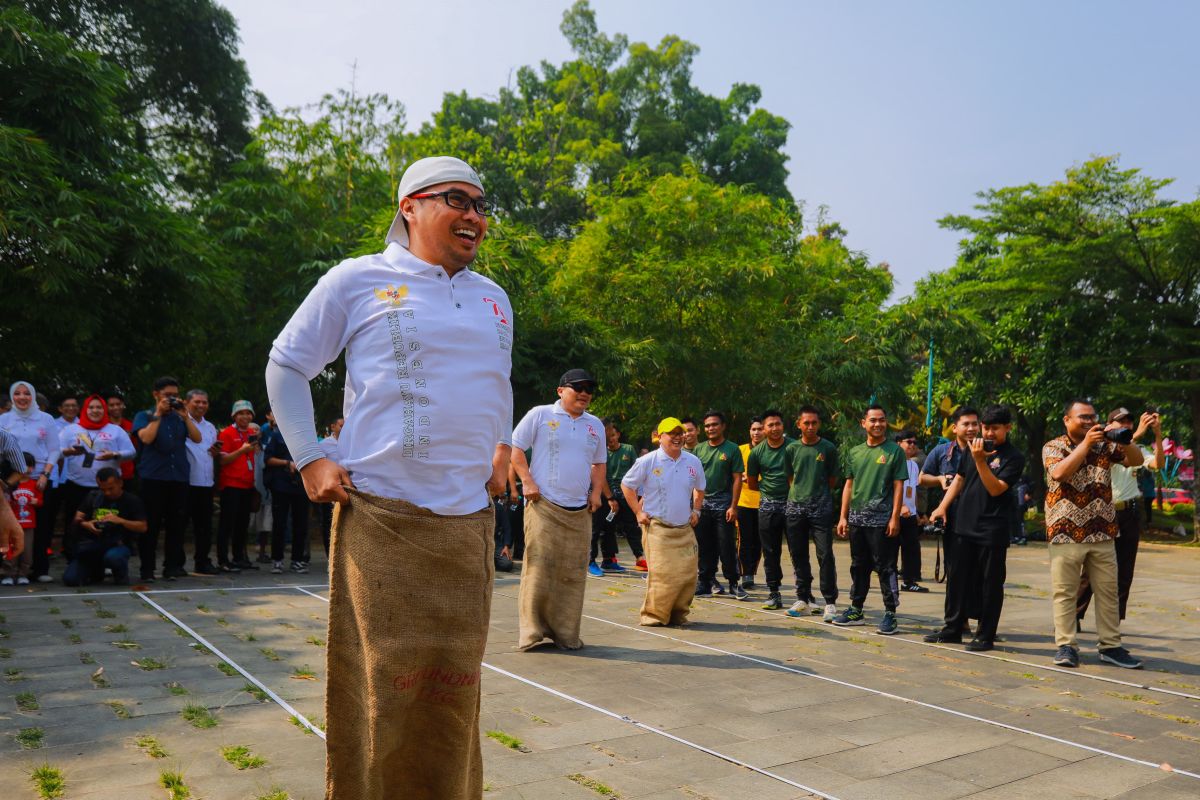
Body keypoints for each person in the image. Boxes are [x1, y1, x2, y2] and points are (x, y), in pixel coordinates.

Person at [266, 155, 512, 799]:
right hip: (383, 518)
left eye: (482, 205)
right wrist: (310, 454)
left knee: (453, 689)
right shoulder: (359, 279)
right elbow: (287, 364)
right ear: (410, 205)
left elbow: (497, 382)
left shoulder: (493, 298)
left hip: (466, 527)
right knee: (381, 689)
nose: (474, 216)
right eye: (457, 200)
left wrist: (503, 446)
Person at [1042, 399, 1144, 669]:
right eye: (1082, 417)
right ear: (1067, 420)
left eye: (1092, 417)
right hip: (1065, 533)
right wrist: (1086, 444)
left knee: (1108, 592)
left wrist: (1124, 436)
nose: (1089, 421)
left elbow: (1137, 460)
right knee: (1065, 592)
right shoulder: (1053, 446)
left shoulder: (1105, 445)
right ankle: (1066, 646)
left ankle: (1110, 646)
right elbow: (1060, 472)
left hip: (1102, 531)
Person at [512, 368, 606, 651]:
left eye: (589, 388)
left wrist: (597, 492)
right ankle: (532, 632)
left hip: (579, 510)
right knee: (539, 569)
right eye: (578, 387)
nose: (584, 393)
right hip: (544, 506)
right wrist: (526, 482)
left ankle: (566, 632)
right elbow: (516, 448)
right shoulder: (540, 414)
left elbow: (599, 463)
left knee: (573, 574)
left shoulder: (595, 425)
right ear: (560, 390)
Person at [925, 406, 1025, 651]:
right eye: (986, 427)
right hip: (963, 525)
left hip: (992, 529)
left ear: (1007, 428)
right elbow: (959, 479)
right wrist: (942, 507)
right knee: (957, 580)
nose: (989, 432)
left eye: (995, 428)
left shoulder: (1013, 456)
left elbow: (995, 488)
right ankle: (953, 629)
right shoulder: (974, 447)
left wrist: (981, 460)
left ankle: (985, 634)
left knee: (989, 583)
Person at [1076, 408, 1163, 625]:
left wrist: (1158, 435)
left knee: (1125, 571)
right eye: (1120, 422)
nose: (1126, 425)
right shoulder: (1101, 448)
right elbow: (1119, 455)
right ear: (1108, 425)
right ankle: (1074, 614)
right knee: (1092, 570)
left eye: (1129, 422)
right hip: (1106, 513)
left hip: (1131, 512)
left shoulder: (1137, 448)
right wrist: (1139, 432)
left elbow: (1157, 464)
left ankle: (1114, 621)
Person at [622, 417, 706, 625]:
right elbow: (627, 485)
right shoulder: (648, 461)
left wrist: (696, 510)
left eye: (680, 433)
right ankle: (654, 616)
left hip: (684, 527)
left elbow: (700, 488)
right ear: (660, 437)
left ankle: (678, 614)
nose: (677, 438)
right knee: (663, 574)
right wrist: (638, 512)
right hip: (657, 527)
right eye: (672, 434)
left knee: (687, 574)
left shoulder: (692, 461)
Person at [833, 404, 907, 634]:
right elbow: (849, 484)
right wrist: (843, 516)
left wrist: (894, 517)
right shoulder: (855, 452)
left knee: (886, 568)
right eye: (873, 420)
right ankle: (856, 609)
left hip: (882, 522)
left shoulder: (895, 451)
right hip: (857, 521)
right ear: (863, 423)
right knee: (859, 566)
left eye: (882, 420)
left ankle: (890, 613)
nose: (878, 424)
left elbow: (898, 486)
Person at [133, 377, 202, 582]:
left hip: (178, 477)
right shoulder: (144, 415)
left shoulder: (181, 418)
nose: (172, 399)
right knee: (151, 526)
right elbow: (146, 438)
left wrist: (186, 416)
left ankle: (171, 567)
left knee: (176, 525)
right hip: (153, 477)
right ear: (156, 395)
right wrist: (158, 414)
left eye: (175, 395)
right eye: (167, 395)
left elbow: (198, 438)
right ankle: (147, 569)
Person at [59, 395, 137, 561]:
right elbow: (55, 451)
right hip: (77, 485)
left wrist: (115, 454)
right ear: (85, 410)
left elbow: (131, 453)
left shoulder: (115, 430)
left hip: (106, 489)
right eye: (91, 407)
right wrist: (68, 452)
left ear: (104, 410)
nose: (95, 411)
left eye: (99, 407)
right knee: (75, 523)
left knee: (106, 524)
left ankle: (109, 559)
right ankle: (74, 559)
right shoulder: (71, 430)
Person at [783, 406, 842, 620]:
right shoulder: (791, 449)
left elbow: (832, 479)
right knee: (798, 554)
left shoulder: (828, 448)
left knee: (825, 554)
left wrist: (817, 496)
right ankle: (803, 598)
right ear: (798, 424)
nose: (810, 427)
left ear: (819, 424)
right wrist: (800, 494)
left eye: (814, 423)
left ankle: (830, 602)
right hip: (795, 506)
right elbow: (791, 477)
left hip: (821, 507)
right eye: (806, 423)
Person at [0, 382, 59, 582]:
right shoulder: (4, 419)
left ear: (33, 396)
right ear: (12, 397)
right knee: (8, 524)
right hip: (11, 480)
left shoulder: (46, 418)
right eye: (17, 393)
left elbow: (54, 449)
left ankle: (39, 569)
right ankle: (8, 570)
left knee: (41, 526)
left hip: (39, 479)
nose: (22, 397)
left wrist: (45, 474)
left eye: (27, 393)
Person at [920, 407, 980, 582]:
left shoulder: (986, 450)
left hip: (979, 511)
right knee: (954, 562)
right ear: (955, 428)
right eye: (966, 424)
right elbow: (922, 478)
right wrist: (939, 479)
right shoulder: (941, 452)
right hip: (951, 511)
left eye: (974, 424)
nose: (971, 428)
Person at [692, 411, 746, 600]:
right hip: (703, 507)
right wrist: (695, 508)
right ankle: (705, 583)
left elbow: (738, 479)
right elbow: (694, 480)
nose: (711, 428)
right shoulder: (698, 449)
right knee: (704, 547)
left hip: (724, 507)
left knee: (726, 546)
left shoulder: (732, 449)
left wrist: (734, 506)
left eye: (714, 425)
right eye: (707, 426)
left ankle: (733, 583)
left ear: (722, 426)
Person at [745, 409, 795, 610]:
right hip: (768, 506)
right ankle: (774, 593)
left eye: (778, 424)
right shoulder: (756, 453)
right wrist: (769, 493)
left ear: (783, 426)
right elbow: (752, 483)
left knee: (797, 551)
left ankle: (804, 595)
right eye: (770, 425)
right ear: (764, 429)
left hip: (793, 505)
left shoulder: (794, 447)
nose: (775, 428)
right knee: (770, 551)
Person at [62, 468, 146, 586]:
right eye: (103, 489)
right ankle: (96, 571)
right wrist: (86, 524)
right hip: (92, 544)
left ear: (120, 483)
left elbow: (142, 527)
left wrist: (120, 521)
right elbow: (77, 518)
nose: (107, 493)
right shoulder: (93, 496)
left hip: (118, 544)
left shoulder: (132, 500)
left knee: (113, 557)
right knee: (71, 579)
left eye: (110, 488)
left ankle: (120, 575)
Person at [589, 419, 642, 575]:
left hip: (616, 494)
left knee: (609, 527)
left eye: (612, 433)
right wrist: (610, 498)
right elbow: (600, 475)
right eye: (607, 433)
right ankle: (590, 561)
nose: (610, 437)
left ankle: (609, 560)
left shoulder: (627, 449)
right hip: (600, 493)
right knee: (595, 528)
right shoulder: (597, 448)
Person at [216, 400, 261, 572]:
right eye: (241, 413)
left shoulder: (251, 433)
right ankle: (223, 560)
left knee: (243, 524)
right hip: (230, 484)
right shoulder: (226, 433)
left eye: (248, 413)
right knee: (227, 523)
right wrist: (242, 450)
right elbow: (223, 459)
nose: (245, 416)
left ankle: (239, 557)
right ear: (234, 416)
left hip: (247, 484)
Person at [263, 427, 311, 574]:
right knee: (280, 523)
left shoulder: (308, 437)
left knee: (301, 525)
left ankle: (297, 560)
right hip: (281, 486)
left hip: (302, 486)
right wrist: (287, 463)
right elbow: (268, 459)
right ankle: (277, 560)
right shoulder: (278, 435)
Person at [183, 390, 221, 575]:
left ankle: (203, 561)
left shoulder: (211, 427)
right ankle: (176, 563)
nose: (201, 405)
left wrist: (215, 451)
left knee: (205, 526)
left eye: (204, 402)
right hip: (187, 482)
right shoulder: (181, 421)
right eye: (197, 402)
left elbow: (210, 451)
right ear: (187, 402)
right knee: (181, 524)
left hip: (206, 482)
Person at [894, 429, 928, 593]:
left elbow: (912, 490)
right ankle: (889, 581)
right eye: (909, 442)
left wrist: (918, 513)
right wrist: (900, 507)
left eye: (915, 442)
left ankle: (909, 581)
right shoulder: (892, 462)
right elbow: (889, 489)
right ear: (898, 443)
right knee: (891, 549)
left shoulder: (913, 465)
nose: (913, 445)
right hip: (894, 513)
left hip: (910, 514)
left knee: (911, 548)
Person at [736, 417, 765, 588]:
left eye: (760, 429)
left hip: (764, 503)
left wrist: (752, 478)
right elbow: (734, 473)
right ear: (749, 431)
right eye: (754, 429)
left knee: (759, 541)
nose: (757, 432)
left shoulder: (770, 451)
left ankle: (753, 571)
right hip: (744, 502)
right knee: (745, 540)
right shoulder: (740, 450)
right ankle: (746, 574)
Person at [2, 452, 37, 585]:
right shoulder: (8, 484)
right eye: (23, 465)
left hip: (28, 524)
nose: (26, 469)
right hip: (11, 523)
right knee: (9, 548)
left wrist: (36, 501)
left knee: (27, 550)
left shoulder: (34, 484)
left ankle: (23, 573)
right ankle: (8, 573)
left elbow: (40, 501)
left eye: (29, 465)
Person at [316, 417, 343, 557]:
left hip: (350, 488)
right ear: (333, 426)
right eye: (341, 425)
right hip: (331, 489)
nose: (344, 429)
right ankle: (330, 556)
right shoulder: (324, 445)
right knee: (329, 523)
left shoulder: (354, 442)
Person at [105, 393, 136, 483]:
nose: (115, 407)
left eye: (118, 404)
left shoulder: (130, 426)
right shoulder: (102, 426)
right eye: (111, 405)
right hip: (106, 472)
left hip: (127, 472)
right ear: (106, 407)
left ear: (123, 405)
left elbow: (134, 448)